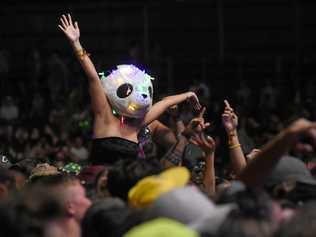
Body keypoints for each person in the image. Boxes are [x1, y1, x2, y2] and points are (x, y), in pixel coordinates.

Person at [58, 14, 201, 165]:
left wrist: (188, 94)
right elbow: (93, 77)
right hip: (99, 183)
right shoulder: (104, 114)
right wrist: (76, 43)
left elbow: (164, 103)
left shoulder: (138, 122)